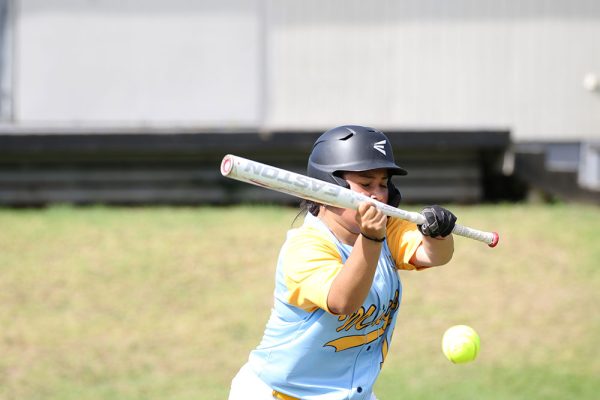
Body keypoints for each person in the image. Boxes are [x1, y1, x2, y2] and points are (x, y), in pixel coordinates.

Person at [228, 125, 457, 400]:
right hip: (282, 395)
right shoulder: (305, 247)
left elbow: (434, 255)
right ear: (328, 187)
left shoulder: (387, 229)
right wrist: (371, 239)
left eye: (383, 184)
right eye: (365, 183)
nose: (377, 195)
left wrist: (439, 234)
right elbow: (343, 301)